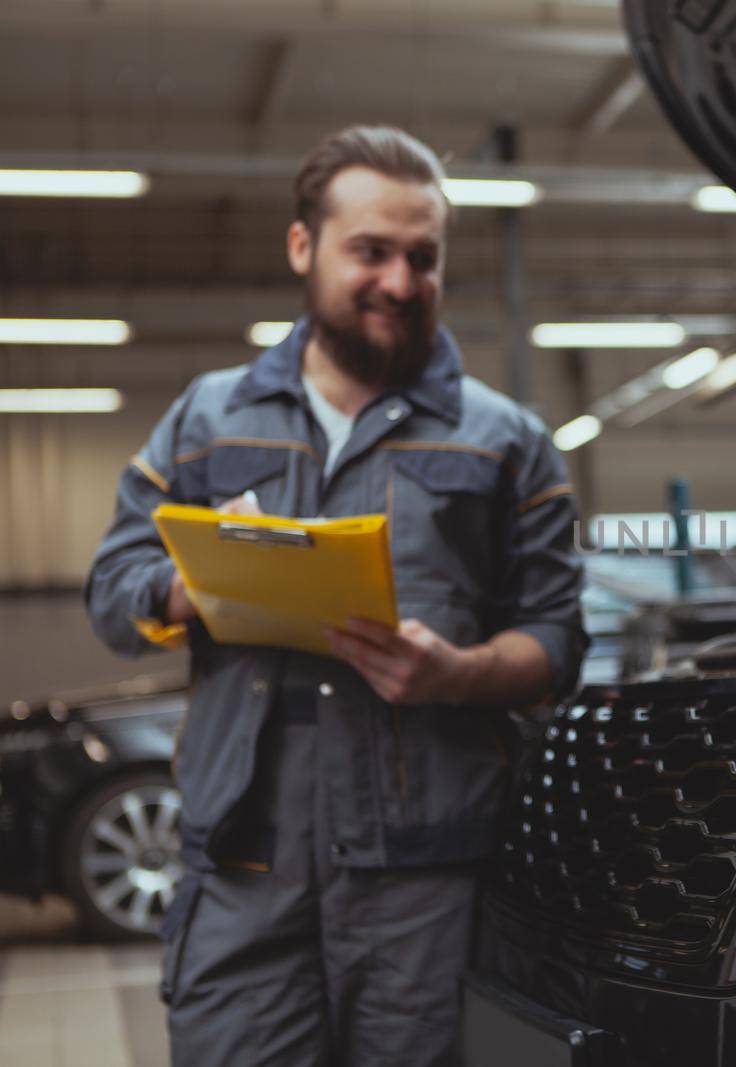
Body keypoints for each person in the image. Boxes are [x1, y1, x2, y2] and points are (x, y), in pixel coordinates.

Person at [84, 124, 588, 1066]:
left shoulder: (506, 443)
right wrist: (193, 581)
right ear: (303, 247)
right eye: (372, 252)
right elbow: (112, 592)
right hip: (242, 869)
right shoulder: (205, 420)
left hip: (427, 887)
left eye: (422, 258)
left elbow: (558, 642)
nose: (400, 282)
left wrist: (463, 671)